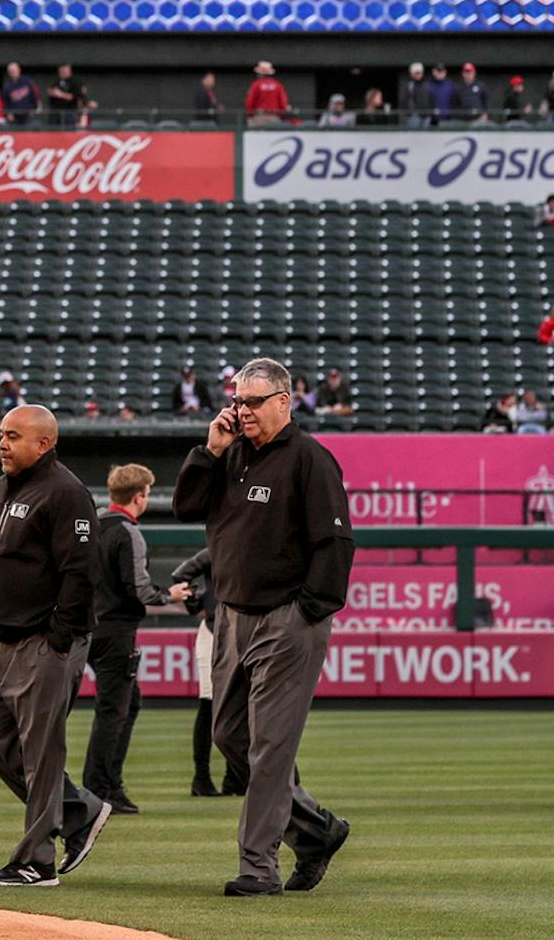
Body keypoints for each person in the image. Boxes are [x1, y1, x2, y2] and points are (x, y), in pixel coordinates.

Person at [173, 358, 355, 897]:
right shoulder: (227, 456)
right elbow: (185, 508)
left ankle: (259, 867)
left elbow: (336, 542)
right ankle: (317, 831)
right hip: (231, 613)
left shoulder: (310, 459)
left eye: (253, 401)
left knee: (270, 747)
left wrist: (308, 611)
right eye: (237, 400)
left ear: (284, 401)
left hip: (286, 618)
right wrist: (209, 451)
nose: (241, 410)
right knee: (229, 733)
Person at [0, 405, 111, 889]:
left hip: (45, 639)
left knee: (42, 755)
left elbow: (81, 571)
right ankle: (78, 811)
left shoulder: (65, 492)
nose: (2, 443)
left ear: (43, 444)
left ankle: (37, 862)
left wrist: (59, 638)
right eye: (1, 434)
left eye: (14, 436)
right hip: (2, 640)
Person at [85, 464, 172, 814]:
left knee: (126, 704)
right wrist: (171, 595)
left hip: (88, 627)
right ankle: (101, 790)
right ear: (140, 497)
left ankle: (105, 785)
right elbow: (140, 588)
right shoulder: (128, 531)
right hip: (117, 631)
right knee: (114, 709)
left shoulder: (92, 526)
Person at [169, 550, 241, 799]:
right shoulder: (216, 549)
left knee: (241, 706)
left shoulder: (247, 546)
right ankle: (201, 777)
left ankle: (236, 777)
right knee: (209, 705)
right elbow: (181, 573)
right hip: (214, 631)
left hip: (242, 630)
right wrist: (197, 602)